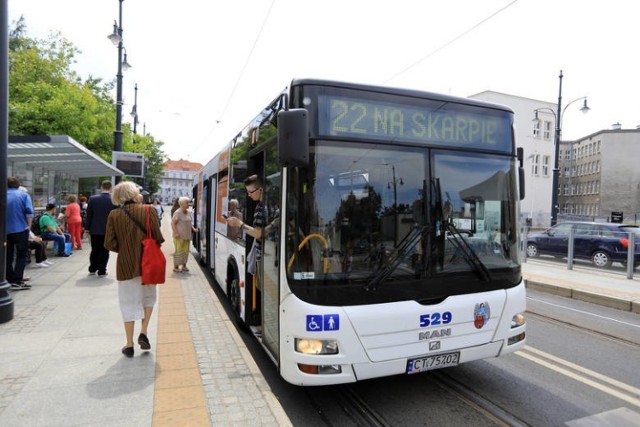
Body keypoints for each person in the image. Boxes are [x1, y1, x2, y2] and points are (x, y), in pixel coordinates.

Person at [104, 181, 165, 358]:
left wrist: (125, 250)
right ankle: (144, 332)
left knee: (128, 302)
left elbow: (108, 242)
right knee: (148, 298)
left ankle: (129, 344)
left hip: (125, 265)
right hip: (149, 265)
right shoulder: (149, 210)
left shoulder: (114, 214)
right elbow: (158, 237)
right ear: (133, 194)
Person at [226, 175, 265, 284]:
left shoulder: (260, 207)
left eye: (251, 192)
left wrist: (240, 224)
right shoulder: (265, 205)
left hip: (262, 258)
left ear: (261, 189)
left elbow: (258, 234)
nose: (249, 195)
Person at [6, 177, 35, 290]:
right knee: (22, 255)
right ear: (18, 185)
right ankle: (17, 281)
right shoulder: (23, 195)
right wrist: (29, 227)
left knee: (7, 256)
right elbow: (29, 212)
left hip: (5, 231)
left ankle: (9, 279)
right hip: (20, 229)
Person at [85, 180, 118, 277]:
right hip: (108, 230)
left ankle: (92, 268)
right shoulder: (114, 200)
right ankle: (102, 270)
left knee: (94, 249)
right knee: (104, 250)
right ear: (111, 188)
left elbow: (89, 215)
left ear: (101, 187)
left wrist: (87, 229)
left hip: (94, 229)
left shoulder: (92, 199)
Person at [171, 197, 198, 273]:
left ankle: (184, 266)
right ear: (182, 204)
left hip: (187, 236)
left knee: (186, 251)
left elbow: (189, 223)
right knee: (179, 251)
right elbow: (173, 223)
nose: (188, 204)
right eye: (187, 203)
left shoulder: (188, 212)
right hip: (179, 236)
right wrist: (176, 232)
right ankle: (176, 267)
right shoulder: (177, 212)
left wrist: (193, 229)